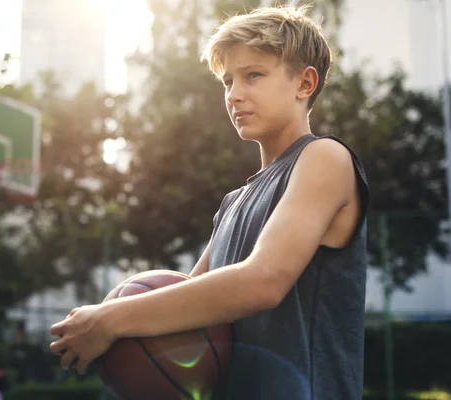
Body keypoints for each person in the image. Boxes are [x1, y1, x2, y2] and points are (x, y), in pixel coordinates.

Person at [49, 4, 370, 399]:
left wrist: (110, 319)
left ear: (304, 84)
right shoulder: (234, 202)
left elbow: (263, 282)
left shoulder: (324, 158)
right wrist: (105, 328)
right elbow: (197, 300)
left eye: (254, 76)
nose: (235, 94)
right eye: (227, 81)